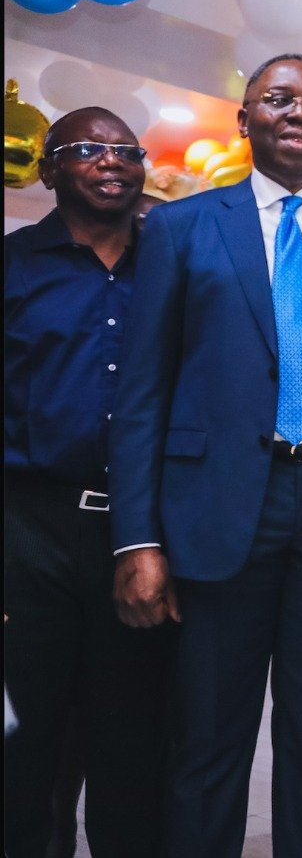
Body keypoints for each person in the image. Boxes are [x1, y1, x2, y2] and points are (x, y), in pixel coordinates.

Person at [109, 54, 302, 857]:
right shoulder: (178, 227)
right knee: (210, 738)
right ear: (245, 120)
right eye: (278, 100)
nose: (299, 113)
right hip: (216, 513)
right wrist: (137, 539)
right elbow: (142, 393)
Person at [4, 108, 175, 858]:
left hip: (143, 534)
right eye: (88, 150)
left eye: (126, 150)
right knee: (26, 737)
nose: (112, 162)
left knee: (136, 741)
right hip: (28, 530)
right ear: (49, 170)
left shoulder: (174, 266)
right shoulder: (12, 266)